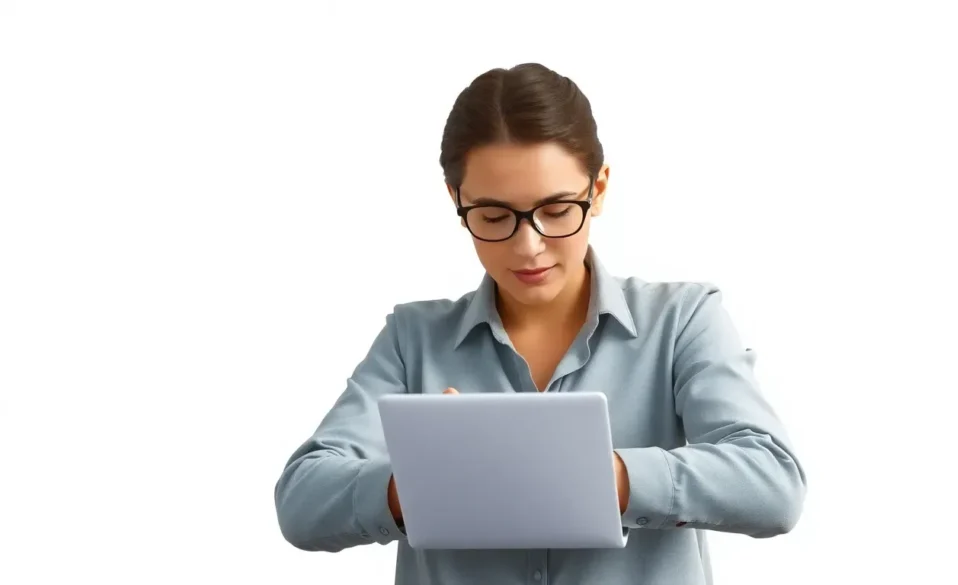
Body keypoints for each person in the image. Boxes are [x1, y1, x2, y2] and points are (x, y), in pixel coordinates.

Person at [274, 62, 807, 585]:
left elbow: (773, 484)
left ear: (598, 189)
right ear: (456, 200)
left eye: (556, 211)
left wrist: (604, 477)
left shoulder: (682, 320)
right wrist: (417, 482)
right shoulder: (411, 339)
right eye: (493, 216)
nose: (528, 246)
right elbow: (302, 499)